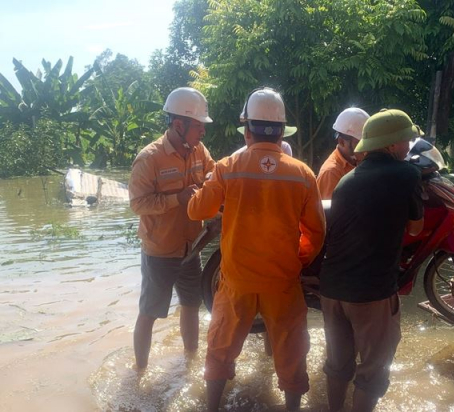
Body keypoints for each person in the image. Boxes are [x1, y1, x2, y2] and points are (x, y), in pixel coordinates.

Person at [187, 87, 326, 412]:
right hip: (283, 283)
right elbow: (316, 233)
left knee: (220, 349)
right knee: (292, 352)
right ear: (280, 131)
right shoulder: (303, 174)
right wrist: (297, 260)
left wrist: (200, 191)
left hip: (237, 283)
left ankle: (211, 408)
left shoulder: (227, 167)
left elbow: (197, 212)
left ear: (247, 129)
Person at [319, 109, 424, 412]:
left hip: (332, 290)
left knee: (338, 363)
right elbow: (416, 228)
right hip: (371, 292)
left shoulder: (347, 178)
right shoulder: (407, 174)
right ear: (392, 144)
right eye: (406, 140)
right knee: (374, 370)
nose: (408, 145)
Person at [128, 87, 216, 369]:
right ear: (179, 125)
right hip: (160, 251)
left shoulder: (200, 151)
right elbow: (138, 204)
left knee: (191, 304)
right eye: (198, 126)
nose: (202, 132)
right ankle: (139, 371)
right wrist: (175, 199)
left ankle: (190, 364)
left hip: (192, 246)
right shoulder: (149, 158)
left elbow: (214, 177)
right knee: (150, 312)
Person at [317, 107, 370, 199]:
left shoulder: (359, 161)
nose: (365, 148)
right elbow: (329, 212)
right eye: (359, 143)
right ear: (341, 142)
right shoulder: (331, 173)